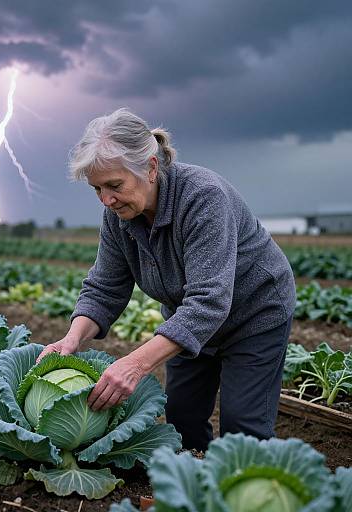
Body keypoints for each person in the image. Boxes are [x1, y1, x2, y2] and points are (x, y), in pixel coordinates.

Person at [37, 108, 296, 451]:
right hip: (189, 319)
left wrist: (135, 363)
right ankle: (193, 490)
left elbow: (208, 301)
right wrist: (72, 339)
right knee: (182, 419)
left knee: (242, 430)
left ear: (151, 167)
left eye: (115, 185)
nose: (106, 199)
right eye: (97, 188)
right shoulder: (119, 215)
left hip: (254, 313)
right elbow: (104, 287)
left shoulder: (203, 198)